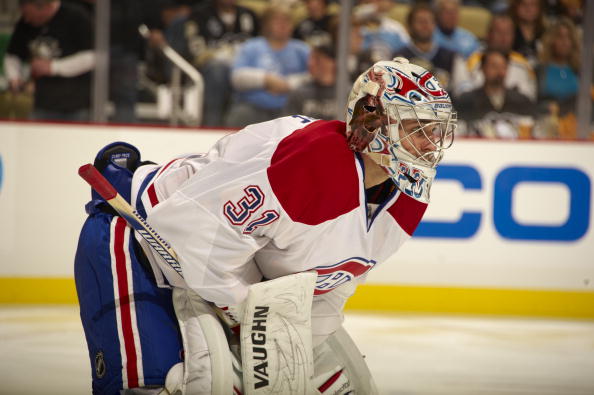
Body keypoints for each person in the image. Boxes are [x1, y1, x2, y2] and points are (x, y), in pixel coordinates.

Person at [75, 56, 456, 394]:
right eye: (416, 127)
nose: (429, 143)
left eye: (435, 129)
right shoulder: (316, 163)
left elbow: (330, 283)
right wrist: (248, 321)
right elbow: (189, 233)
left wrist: (290, 342)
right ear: (371, 121)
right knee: (158, 385)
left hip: (207, 274)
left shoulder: (408, 199)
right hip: (136, 241)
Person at [166, 0, 260, 126]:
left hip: (243, 69)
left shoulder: (249, 15)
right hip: (208, 70)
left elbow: (261, 47)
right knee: (218, 70)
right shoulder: (199, 15)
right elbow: (195, 51)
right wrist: (221, 55)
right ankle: (212, 125)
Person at [4, 0, 94, 122]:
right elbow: (13, 54)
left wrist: (53, 67)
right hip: (41, 102)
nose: (27, 20)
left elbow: (94, 56)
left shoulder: (76, 16)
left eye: (29, 14)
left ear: (44, 7)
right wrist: (14, 77)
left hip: (77, 104)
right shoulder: (25, 24)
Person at [225, 4, 310, 127]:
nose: (283, 25)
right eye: (277, 20)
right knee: (240, 114)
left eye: (287, 20)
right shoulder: (251, 46)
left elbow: (315, 76)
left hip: (290, 111)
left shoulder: (302, 49)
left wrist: (288, 84)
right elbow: (236, 77)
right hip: (253, 108)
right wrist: (266, 80)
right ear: (266, 24)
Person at [452, 13, 537, 101]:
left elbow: (529, 99)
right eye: (499, 32)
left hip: (513, 112)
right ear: (488, 34)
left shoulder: (524, 65)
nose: (503, 38)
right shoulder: (467, 60)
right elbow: (462, 97)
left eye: (508, 33)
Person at [454, 49, 536, 138]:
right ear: (483, 68)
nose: (499, 72)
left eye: (503, 67)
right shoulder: (466, 101)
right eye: (494, 66)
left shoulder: (521, 101)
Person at [394, 2, 464, 91]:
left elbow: (462, 89)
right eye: (420, 21)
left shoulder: (451, 57)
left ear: (435, 25)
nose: (425, 25)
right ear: (410, 26)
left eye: (429, 21)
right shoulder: (399, 58)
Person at [283, 43, 337, 120]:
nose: (310, 64)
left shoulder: (350, 93)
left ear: (332, 63)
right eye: (311, 59)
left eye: (317, 59)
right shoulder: (299, 94)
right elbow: (288, 125)